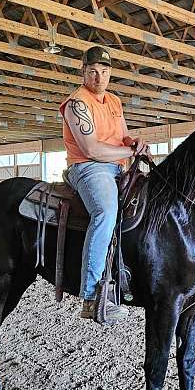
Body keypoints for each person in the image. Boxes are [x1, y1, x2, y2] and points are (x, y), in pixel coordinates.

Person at [59, 46, 148, 320]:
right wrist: (131, 152)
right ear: (83, 72)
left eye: (105, 72)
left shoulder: (114, 101)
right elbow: (92, 150)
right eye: (93, 72)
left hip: (116, 166)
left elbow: (122, 136)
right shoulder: (76, 103)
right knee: (105, 213)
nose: (99, 77)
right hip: (88, 168)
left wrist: (133, 143)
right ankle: (91, 295)